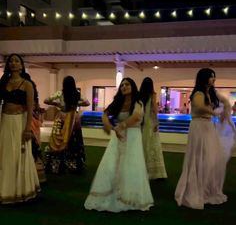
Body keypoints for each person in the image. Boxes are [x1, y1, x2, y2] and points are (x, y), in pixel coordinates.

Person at [84, 77, 154, 212]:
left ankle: (130, 197)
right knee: (112, 165)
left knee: (131, 165)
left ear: (133, 87)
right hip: (118, 137)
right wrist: (108, 125)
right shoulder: (117, 102)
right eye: (122, 85)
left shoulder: (138, 102)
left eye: (127, 84)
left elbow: (136, 117)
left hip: (132, 136)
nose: (124, 87)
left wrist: (120, 126)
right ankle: (113, 193)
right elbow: (104, 114)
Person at [175, 68, 235, 210]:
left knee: (211, 158)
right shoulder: (199, 92)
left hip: (207, 126)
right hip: (199, 126)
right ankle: (196, 189)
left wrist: (225, 109)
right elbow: (199, 106)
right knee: (200, 157)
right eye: (211, 77)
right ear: (204, 78)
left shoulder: (210, 92)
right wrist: (214, 112)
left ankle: (205, 187)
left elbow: (225, 101)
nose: (213, 79)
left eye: (214, 77)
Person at [0, 54, 40, 204]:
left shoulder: (27, 84)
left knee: (18, 153)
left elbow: (30, 109)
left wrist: (28, 128)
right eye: (11, 61)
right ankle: (4, 189)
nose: (13, 63)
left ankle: (20, 189)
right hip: (5, 121)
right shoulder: (4, 82)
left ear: (22, 65)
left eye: (17, 61)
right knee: (5, 154)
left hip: (20, 122)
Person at [44, 76, 89, 174]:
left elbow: (46, 100)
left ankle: (57, 165)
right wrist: (77, 104)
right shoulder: (77, 94)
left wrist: (57, 104)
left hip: (62, 116)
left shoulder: (60, 93)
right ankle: (74, 165)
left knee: (59, 139)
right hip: (73, 118)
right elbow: (87, 102)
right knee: (74, 140)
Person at [139, 77, 167, 180]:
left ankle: (141, 168)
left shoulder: (140, 95)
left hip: (141, 122)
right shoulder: (153, 94)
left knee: (143, 143)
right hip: (150, 121)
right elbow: (155, 110)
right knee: (152, 143)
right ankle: (153, 171)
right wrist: (156, 122)